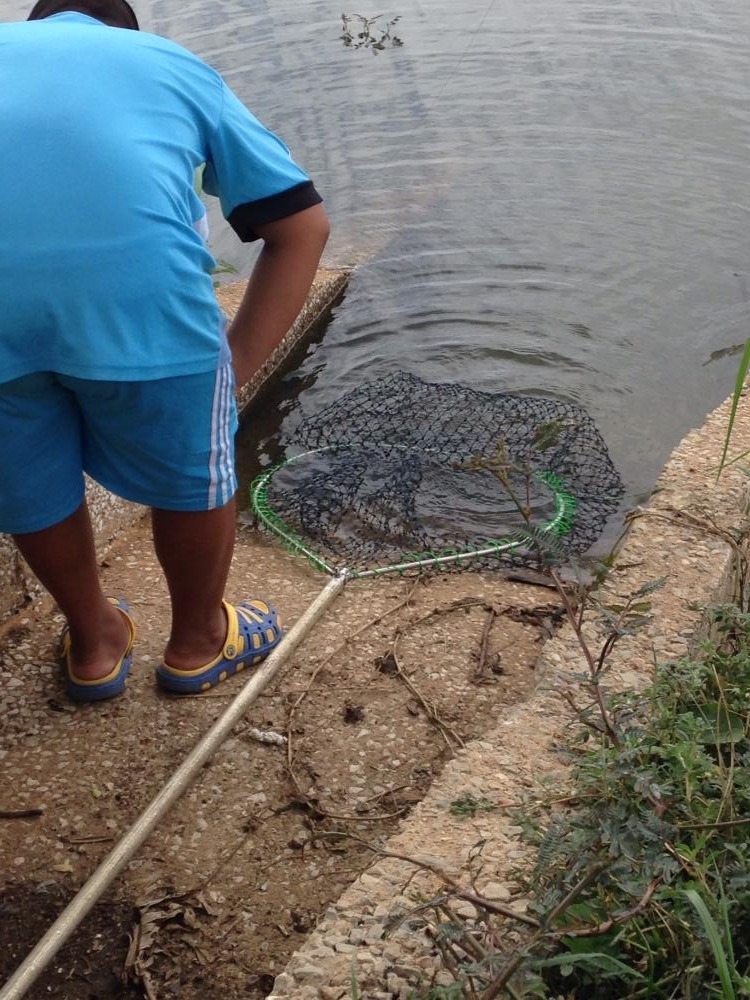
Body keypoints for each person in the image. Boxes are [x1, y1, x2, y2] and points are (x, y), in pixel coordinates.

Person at [0, 0, 330, 700]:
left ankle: (94, 645)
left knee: (27, 478)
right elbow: (301, 225)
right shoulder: (170, 64)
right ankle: (197, 644)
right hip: (139, 308)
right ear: (122, 30)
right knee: (192, 474)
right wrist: (235, 366)